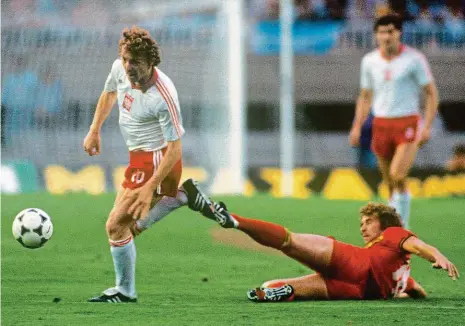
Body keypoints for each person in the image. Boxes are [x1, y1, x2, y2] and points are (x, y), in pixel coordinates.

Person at [182, 180, 460, 302]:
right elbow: (414, 289)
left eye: (368, 222)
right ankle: (280, 292)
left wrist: (438, 257)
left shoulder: (393, 234)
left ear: (384, 224)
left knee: (289, 241)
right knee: (275, 287)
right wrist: (413, 294)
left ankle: (234, 220)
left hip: (351, 264)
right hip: (354, 292)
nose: (363, 227)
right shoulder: (402, 276)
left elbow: (420, 246)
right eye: (361, 223)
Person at [83, 26, 193, 303]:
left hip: (158, 159)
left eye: (136, 63)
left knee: (115, 226)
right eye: (125, 60)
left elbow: (175, 148)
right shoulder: (119, 68)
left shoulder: (164, 96)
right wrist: (94, 129)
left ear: (151, 63)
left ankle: (125, 292)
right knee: (124, 230)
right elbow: (109, 93)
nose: (128, 67)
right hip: (138, 158)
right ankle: (178, 198)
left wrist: (150, 188)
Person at [349, 14, 439, 229]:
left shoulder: (414, 60)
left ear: (399, 33)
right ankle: (392, 229)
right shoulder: (369, 61)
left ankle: (402, 227)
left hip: (407, 122)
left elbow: (431, 93)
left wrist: (426, 125)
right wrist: (357, 126)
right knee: (389, 182)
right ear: (376, 35)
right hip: (380, 123)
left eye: (390, 31)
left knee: (397, 174)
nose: (386, 36)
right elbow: (365, 96)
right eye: (382, 32)